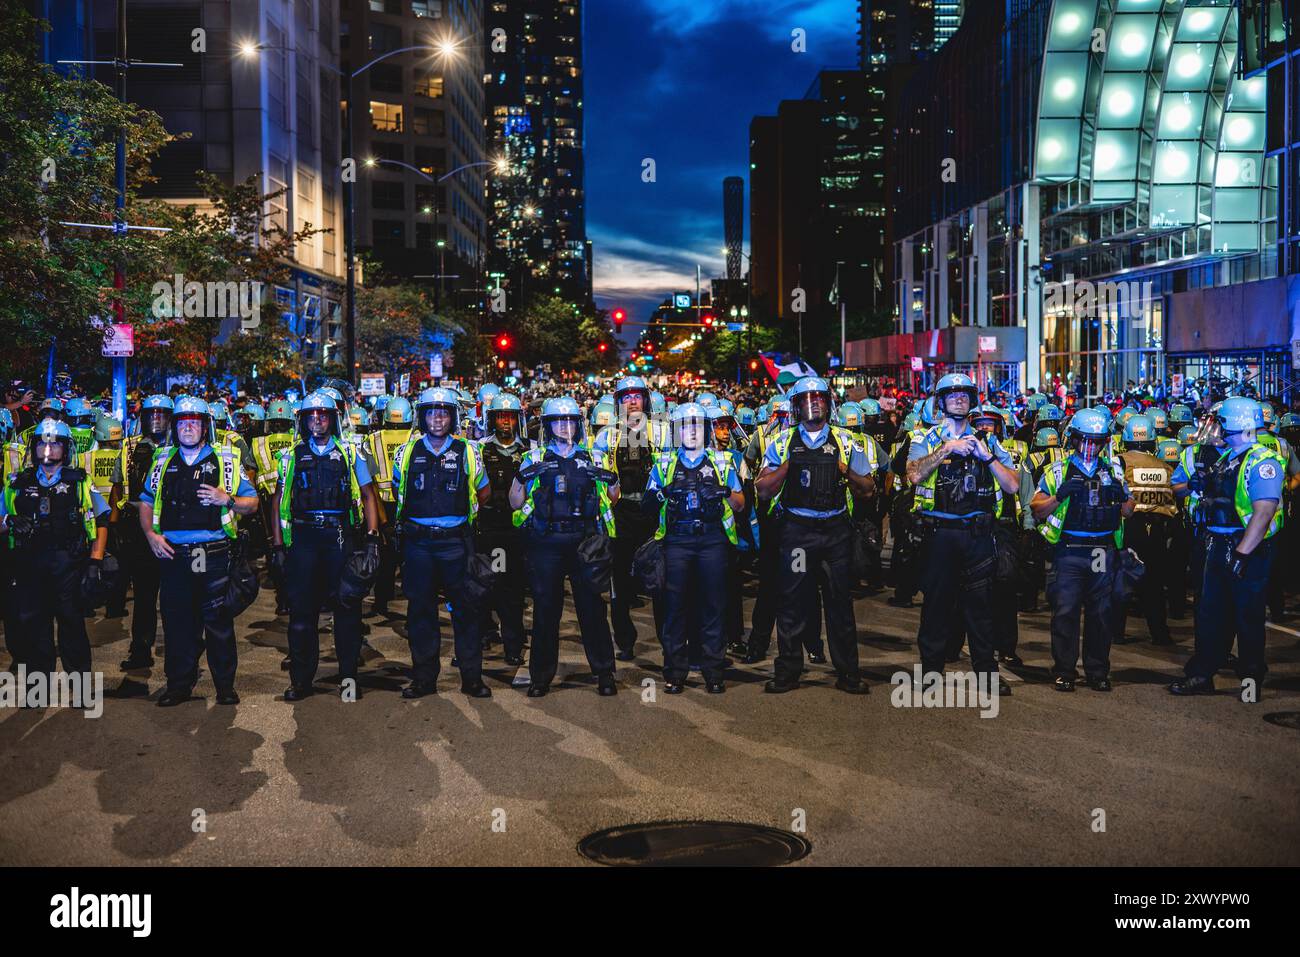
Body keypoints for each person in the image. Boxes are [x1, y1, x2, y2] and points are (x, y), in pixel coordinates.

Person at [755, 376, 875, 694]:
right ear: (796, 407)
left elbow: (868, 490)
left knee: (840, 604)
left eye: (819, 398)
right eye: (807, 400)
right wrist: (788, 467)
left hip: (835, 532)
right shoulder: (782, 443)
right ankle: (788, 671)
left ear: (829, 403)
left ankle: (848, 673)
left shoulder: (848, 441)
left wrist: (845, 471)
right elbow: (763, 491)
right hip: (798, 532)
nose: (814, 404)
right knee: (792, 602)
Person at [138, 396, 260, 707]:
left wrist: (227, 499)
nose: (188, 426)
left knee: (218, 623)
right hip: (173, 555)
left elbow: (253, 502)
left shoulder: (226, 460)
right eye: (182, 421)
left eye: (194, 421)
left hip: (213, 554)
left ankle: (224, 687)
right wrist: (150, 535)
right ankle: (179, 686)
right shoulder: (163, 459)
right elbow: (146, 501)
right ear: (174, 426)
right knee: (178, 623)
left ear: (205, 426)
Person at [906, 374, 1018, 694]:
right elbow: (914, 474)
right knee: (937, 607)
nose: (959, 399)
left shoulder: (988, 440)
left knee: (981, 608)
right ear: (940, 402)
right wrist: (947, 449)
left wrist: (989, 457)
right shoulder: (926, 438)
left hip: (978, 535)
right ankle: (930, 672)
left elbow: (1011, 485)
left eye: (964, 394)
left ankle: (987, 675)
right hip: (941, 533)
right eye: (952, 394)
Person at [1170, 398, 1285, 699]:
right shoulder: (1226, 457)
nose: (1214, 427)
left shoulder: (1262, 461)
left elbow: (1263, 512)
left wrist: (1243, 553)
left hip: (1247, 548)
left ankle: (1250, 681)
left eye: (1220, 422)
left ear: (1236, 424)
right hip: (1217, 542)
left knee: (1247, 617)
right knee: (1210, 613)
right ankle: (1202, 674)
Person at [509, 396, 620, 697]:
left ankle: (605, 673)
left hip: (584, 542)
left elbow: (613, 497)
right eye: (558, 420)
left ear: (578, 425)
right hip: (546, 543)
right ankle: (540, 677)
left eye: (569, 420)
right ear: (547, 425)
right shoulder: (533, 458)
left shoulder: (594, 457)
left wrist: (610, 479)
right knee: (546, 611)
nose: (564, 425)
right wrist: (521, 477)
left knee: (592, 610)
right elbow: (515, 502)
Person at [271, 392, 379, 701]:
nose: (317, 419)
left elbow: (369, 495)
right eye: (311, 415)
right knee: (302, 616)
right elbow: (278, 501)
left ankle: (348, 680)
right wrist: (278, 546)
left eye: (323, 414)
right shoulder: (291, 455)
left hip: (340, 539)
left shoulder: (350, 452)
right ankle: (302, 681)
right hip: (304, 542)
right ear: (303, 420)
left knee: (347, 611)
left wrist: (372, 538)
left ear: (333, 419)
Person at [391, 387, 491, 698]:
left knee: (465, 611)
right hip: (418, 544)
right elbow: (399, 492)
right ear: (421, 416)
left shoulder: (469, 452)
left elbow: (483, 492)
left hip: (455, 544)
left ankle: (472, 678)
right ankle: (424, 679)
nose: (438, 418)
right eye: (432, 412)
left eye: (444, 412)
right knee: (420, 612)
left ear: (453, 417)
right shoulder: (406, 453)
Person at [1031, 408, 1135, 692]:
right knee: (1065, 612)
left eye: (1096, 441)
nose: (1090, 447)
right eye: (1084, 440)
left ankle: (1097, 671)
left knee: (1101, 613)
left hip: (1102, 549)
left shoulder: (1114, 470)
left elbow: (1128, 512)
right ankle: (1065, 671)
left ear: (1104, 442)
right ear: (1073, 440)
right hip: (1070, 550)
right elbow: (1037, 510)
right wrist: (1059, 495)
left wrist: (1121, 494)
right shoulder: (1057, 470)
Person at [644, 403, 745, 693]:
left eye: (697, 426)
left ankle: (714, 672)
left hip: (712, 540)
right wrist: (663, 493)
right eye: (685, 426)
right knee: (675, 608)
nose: (691, 432)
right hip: (677, 541)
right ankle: (675, 673)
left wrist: (724, 492)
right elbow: (646, 505)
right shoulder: (663, 464)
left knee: (713, 606)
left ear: (705, 430)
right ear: (677, 431)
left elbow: (740, 504)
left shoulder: (723, 461)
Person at [0, 418, 110, 676]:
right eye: (42, 444)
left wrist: (95, 562)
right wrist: (8, 520)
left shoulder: (80, 482)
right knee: (35, 632)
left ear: (66, 448)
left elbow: (101, 521)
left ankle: (82, 691)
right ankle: (37, 693)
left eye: (55, 444)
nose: (48, 450)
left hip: (68, 566)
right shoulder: (16, 483)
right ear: (34, 447)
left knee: (72, 630)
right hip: (29, 567)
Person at [593, 376, 670, 660]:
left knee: (662, 584)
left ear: (646, 401)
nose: (632, 401)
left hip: (654, 515)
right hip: (620, 515)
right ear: (618, 403)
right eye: (626, 397)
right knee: (619, 586)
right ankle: (625, 641)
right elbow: (598, 478)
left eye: (637, 396)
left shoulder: (663, 432)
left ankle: (668, 641)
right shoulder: (606, 436)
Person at [118, 394, 173, 669]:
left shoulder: (181, 448)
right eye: (151, 415)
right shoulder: (131, 448)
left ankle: (181, 651)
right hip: (142, 532)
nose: (156, 420)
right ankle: (140, 648)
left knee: (178, 597)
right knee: (144, 596)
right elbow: (121, 488)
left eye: (162, 415)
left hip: (175, 532)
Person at [476, 392, 531, 666]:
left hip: (517, 531)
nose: (506, 422)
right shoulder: (480, 448)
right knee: (484, 584)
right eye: (501, 416)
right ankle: (483, 633)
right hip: (488, 528)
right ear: (492, 420)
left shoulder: (530, 450)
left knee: (514, 588)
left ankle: (513, 641)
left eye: (510, 416)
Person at [1115, 414, 1176, 645]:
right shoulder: (1164, 466)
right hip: (1157, 530)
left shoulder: (1119, 462)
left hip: (1129, 527)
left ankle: (1116, 632)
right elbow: (1172, 501)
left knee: (1122, 581)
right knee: (1155, 585)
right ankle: (1160, 633)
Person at [366, 396, 413, 616]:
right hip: (410, 506)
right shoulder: (418, 438)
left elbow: (371, 485)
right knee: (411, 558)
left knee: (385, 558)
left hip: (382, 505)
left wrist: (383, 522)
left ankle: (381, 601)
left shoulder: (372, 439)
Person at [85, 415, 128, 617]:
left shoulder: (85, 458)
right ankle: (115, 607)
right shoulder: (125, 457)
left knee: (89, 561)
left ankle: (87, 604)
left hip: (91, 518)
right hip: (117, 518)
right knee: (117, 565)